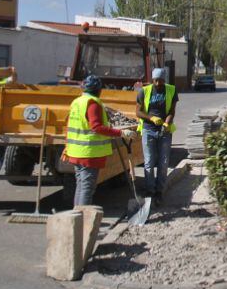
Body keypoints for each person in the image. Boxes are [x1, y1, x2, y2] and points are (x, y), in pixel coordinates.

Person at [63, 75, 137, 206]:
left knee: (80, 186)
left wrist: (67, 147)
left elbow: (70, 125)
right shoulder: (93, 103)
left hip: (76, 151)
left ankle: (77, 217)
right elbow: (96, 127)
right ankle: (83, 219)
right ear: (98, 90)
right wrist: (121, 132)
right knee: (87, 188)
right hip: (89, 153)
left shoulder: (77, 102)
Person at [136, 68, 178, 206]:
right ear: (152, 80)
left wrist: (167, 122)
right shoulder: (144, 91)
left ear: (164, 80)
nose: (159, 83)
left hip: (164, 131)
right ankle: (150, 191)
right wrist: (151, 118)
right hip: (148, 130)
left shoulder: (171, 90)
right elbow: (138, 111)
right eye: (156, 80)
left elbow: (172, 111)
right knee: (148, 162)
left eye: (161, 80)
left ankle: (159, 191)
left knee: (163, 162)